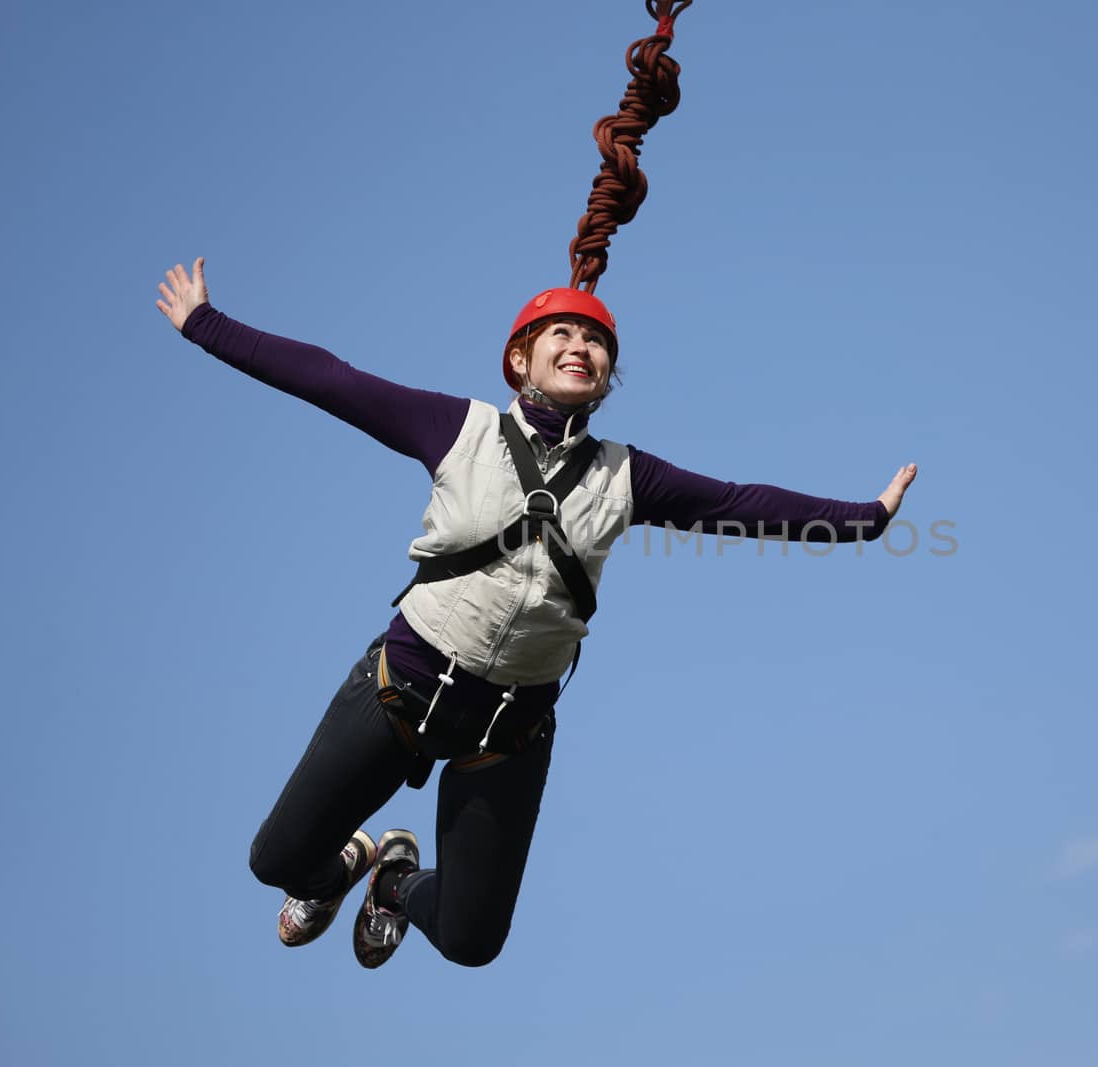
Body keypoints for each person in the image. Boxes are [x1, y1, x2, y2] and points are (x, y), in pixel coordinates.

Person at [154, 256, 918, 968]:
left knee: (468, 940)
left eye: (597, 340)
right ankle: (340, 868)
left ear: (609, 375)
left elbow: (738, 504)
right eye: (563, 332)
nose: (581, 346)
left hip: (506, 732)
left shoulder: (629, 476)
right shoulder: (459, 429)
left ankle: (394, 882)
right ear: (520, 358)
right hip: (399, 690)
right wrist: (205, 325)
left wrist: (867, 517)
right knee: (275, 862)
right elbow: (333, 381)